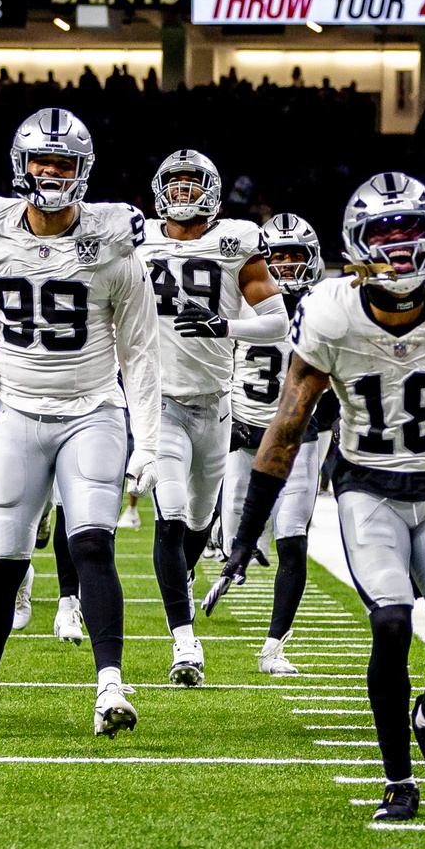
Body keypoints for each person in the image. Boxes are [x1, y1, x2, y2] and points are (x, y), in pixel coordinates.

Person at [212, 172, 425, 822]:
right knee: (391, 623)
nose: (398, 247)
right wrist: (244, 532)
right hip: (369, 486)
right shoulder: (330, 310)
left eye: (410, 231)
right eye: (384, 233)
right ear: (357, 242)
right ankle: (398, 781)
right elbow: (286, 425)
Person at [0, 108, 160, 743]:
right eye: (42, 161)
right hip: (15, 413)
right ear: (21, 165)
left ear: (83, 169)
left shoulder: (114, 241)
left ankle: (110, 686)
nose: (52, 173)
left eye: (63, 163)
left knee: (92, 542)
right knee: (2, 562)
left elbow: (140, 350)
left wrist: (148, 442)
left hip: (93, 410)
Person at [138, 148, 287, 686]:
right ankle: (184, 641)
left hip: (216, 402)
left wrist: (225, 326)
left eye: (191, 182)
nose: (182, 191)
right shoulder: (136, 237)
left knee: (200, 521)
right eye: (173, 182)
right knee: (171, 513)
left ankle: (181, 589)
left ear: (213, 190)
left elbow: (277, 323)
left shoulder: (237, 240)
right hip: (160, 401)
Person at [219, 212, 332, 675]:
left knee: (293, 536)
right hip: (244, 433)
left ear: (312, 259)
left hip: (300, 437)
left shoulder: (326, 307)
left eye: (294, 255)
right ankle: (182, 615)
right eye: (277, 256)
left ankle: (274, 648)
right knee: (227, 535)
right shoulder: (242, 302)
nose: (285, 264)